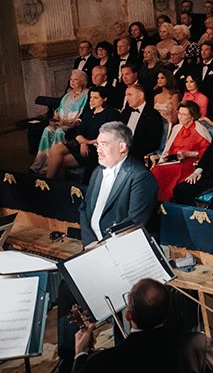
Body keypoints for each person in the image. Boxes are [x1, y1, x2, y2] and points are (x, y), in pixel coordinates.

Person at [56, 121, 159, 371]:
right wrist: (90, 246)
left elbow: (134, 225)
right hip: (96, 250)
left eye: (103, 144)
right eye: (98, 144)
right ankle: (69, 357)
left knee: (121, 298)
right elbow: (85, 210)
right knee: (66, 286)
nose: (97, 149)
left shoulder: (140, 177)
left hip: (124, 256)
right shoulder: (97, 172)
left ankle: (122, 359)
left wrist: (102, 250)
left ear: (122, 147)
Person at [72, 278, 213, 373]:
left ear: (128, 315)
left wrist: (80, 354)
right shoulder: (197, 344)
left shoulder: (102, 362)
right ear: (167, 311)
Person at [43, 86, 120, 181]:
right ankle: (50, 183)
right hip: (80, 143)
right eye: (91, 97)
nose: (92, 100)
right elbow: (79, 130)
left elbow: (108, 136)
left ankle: (51, 185)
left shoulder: (111, 113)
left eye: (96, 98)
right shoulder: (88, 113)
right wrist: (83, 142)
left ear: (104, 99)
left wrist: (87, 143)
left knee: (57, 161)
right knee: (55, 148)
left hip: (95, 147)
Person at [150, 100, 212, 202]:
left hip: (191, 164)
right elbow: (168, 148)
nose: (180, 117)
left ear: (192, 116)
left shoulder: (199, 129)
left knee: (166, 173)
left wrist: (189, 153)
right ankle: (154, 203)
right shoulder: (177, 128)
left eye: (184, 114)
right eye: (179, 113)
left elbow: (208, 153)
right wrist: (167, 156)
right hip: (174, 161)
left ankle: (165, 204)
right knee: (156, 170)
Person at [32, 69, 89, 173]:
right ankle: (39, 163)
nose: (72, 82)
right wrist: (55, 119)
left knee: (59, 131)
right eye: (71, 79)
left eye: (75, 80)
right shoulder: (68, 94)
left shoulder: (86, 95)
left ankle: (51, 163)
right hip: (61, 122)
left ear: (82, 81)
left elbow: (83, 116)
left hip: (73, 125)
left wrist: (65, 123)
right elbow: (58, 110)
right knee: (47, 130)